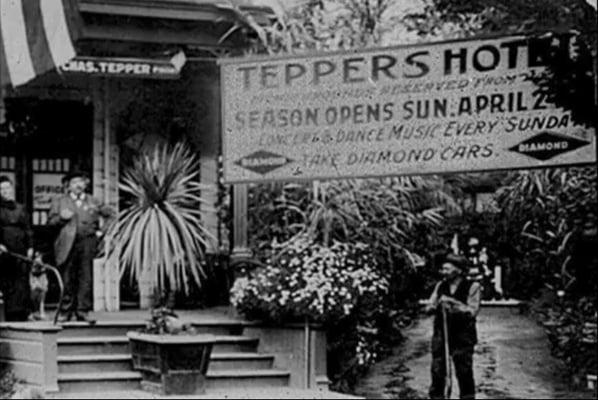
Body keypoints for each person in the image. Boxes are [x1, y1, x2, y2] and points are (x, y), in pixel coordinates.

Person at [48, 170, 113, 322]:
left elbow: (112, 215)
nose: (78, 185)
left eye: (80, 182)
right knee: (67, 276)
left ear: (85, 184)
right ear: (68, 186)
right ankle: (65, 311)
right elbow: (51, 222)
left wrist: (101, 233)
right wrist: (62, 218)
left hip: (88, 242)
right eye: (74, 183)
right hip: (67, 242)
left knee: (86, 276)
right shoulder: (60, 201)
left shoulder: (93, 201)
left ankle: (83, 310)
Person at [425, 253, 481, 399]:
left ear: (459, 271)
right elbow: (430, 305)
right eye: (442, 269)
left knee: (464, 371)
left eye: (447, 269)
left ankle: (467, 397)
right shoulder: (440, 286)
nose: (443, 272)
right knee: (438, 370)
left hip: (463, 334)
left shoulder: (473, 287)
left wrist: (452, 304)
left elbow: (472, 310)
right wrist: (433, 306)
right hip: (441, 333)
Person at [0, 175, 34, 321]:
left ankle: (23, 312)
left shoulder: (21, 208)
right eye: (2, 189)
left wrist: (30, 246)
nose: (5, 191)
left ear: (12, 189)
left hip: (20, 247)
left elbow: (28, 229)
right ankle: (9, 313)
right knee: (8, 280)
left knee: (22, 280)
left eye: (7, 187)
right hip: (4, 248)